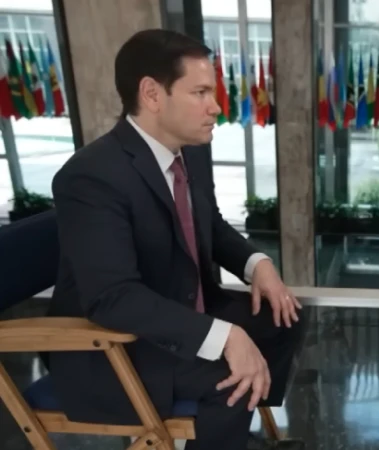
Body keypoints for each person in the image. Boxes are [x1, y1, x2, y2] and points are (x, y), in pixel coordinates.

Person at [47, 29, 305, 450]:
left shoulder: (191, 150)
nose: (215, 106)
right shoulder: (90, 177)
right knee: (228, 377)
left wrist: (259, 265)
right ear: (152, 94)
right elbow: (113, 298)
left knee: (284, 317)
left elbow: (211, 225)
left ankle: (235, 431)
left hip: (181, 309)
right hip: (118, 346)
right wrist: (225, 336)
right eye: (200, 92)